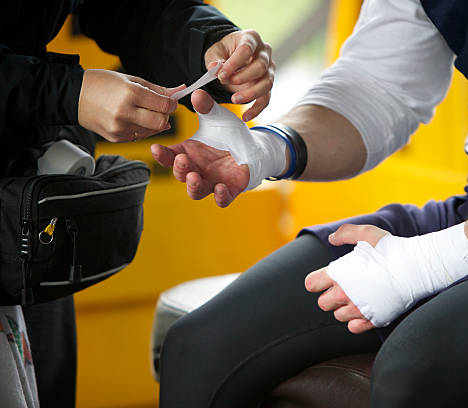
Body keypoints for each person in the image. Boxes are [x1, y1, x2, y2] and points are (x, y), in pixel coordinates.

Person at [155, 0, 468, 406]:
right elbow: (379, 87)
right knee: (199, 347)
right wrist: (268, 149)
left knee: (413, 376)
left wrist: (418, 263)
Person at [0, 1, 274, 406]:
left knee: (45, 381)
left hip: (29, 211)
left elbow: (137, 9)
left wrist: (210, 42)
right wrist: (67, 92)